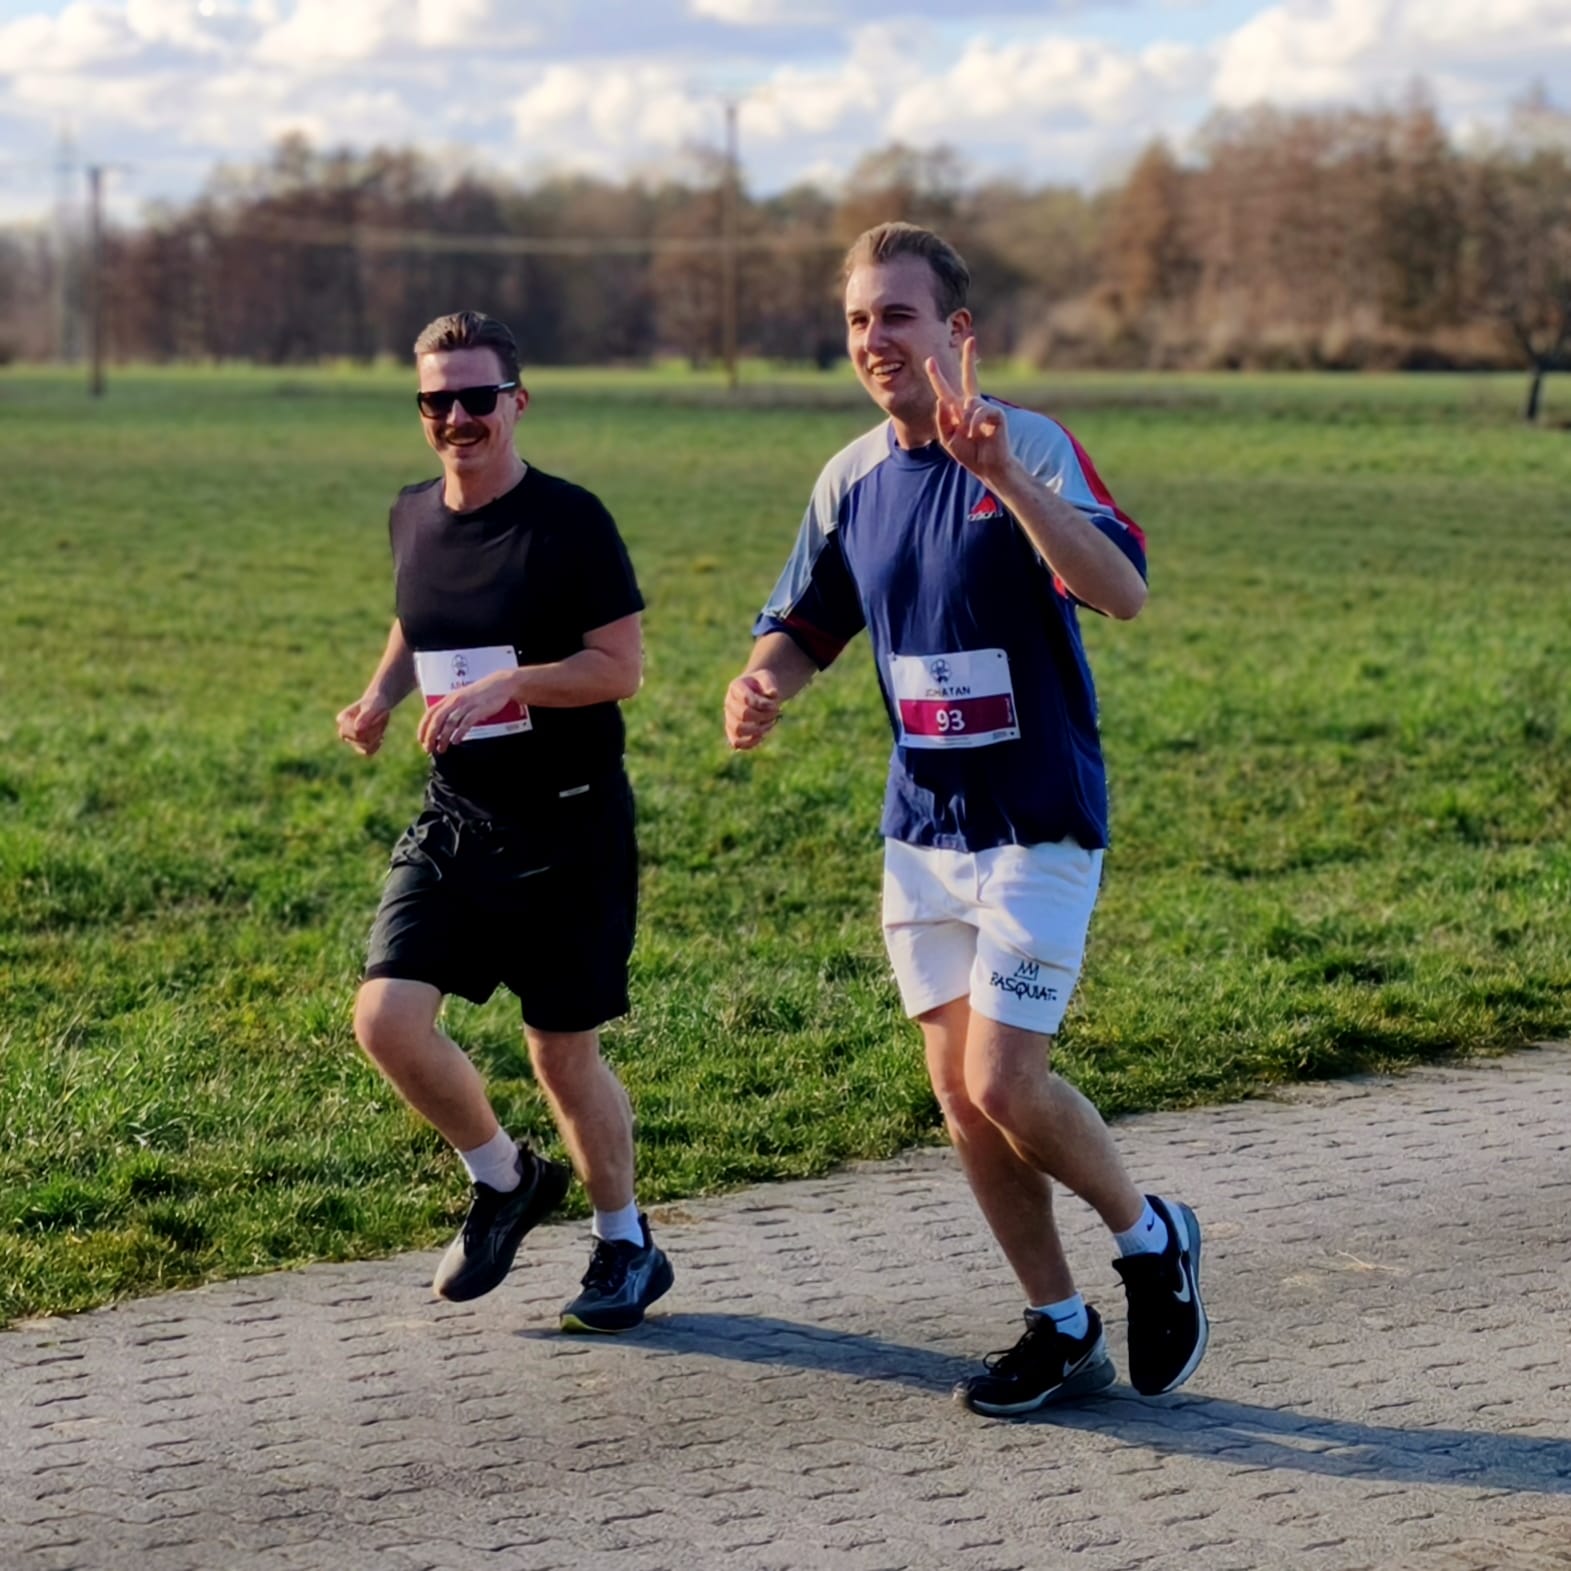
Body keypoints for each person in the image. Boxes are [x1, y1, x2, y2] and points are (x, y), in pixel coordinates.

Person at [723, 224, 1207, 1415]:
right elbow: (810, 619)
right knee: (958, 1095)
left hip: (1035, 822)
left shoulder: (1025, 443)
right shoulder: (847, 477)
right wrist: (766, 682)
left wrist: (1002, 476)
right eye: (855, 320)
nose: (874, 339)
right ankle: (1057, 1324)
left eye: (897, 315)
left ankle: (1149, 1236)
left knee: (1004, 1081)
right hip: (921, 834)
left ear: (956, 332)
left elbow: (1122, 590)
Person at [337, 309, 672, 1334]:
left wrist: (514, 682)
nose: (455, 417)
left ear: (515, 402)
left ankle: (625, 1243)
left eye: (475, 397)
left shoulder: (567, 521)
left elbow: (619, 667)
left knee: (559, 1053)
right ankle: (505, 1176)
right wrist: (380, 694)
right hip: (457, 815)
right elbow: (418, 619)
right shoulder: (410, 514)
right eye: (435, 400)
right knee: (384, 1017)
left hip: (568, 823)